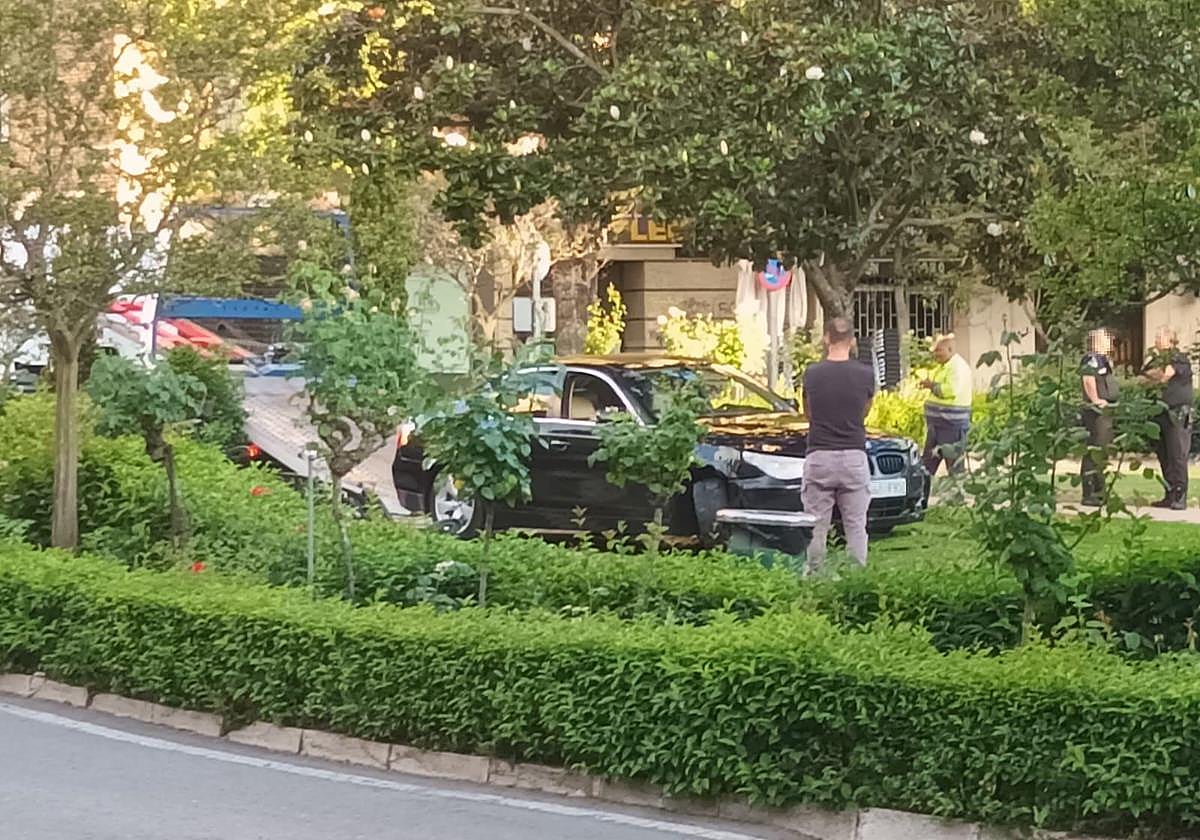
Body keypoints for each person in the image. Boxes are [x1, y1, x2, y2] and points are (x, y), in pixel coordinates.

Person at [801, 317, 876, 571]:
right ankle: (856, 579)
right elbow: (865, 411)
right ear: (852, 341)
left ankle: (814, 577)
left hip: (820, 455)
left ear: (826, 339)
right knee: (856, 526)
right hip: (854, 455)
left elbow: (808, 412)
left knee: (816, 525)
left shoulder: (812, 374)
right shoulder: (866, 374)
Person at [1142, 328, 1194, 510]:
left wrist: (1156, 376)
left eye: (1160, 336)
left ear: (1171, 340)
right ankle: (1169, 493)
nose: (1156, 339)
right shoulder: (1155, 360)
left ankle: (1180, 495)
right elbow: (1143, 377)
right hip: (1159, 413)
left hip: (1176, 413)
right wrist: (1154, 375)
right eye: (1156, 336)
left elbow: (1166, 374)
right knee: (1164, 454)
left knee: (1177, 455)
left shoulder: (1179, 357)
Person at [919, 334, 973, 475]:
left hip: (951, 426)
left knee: (954, 467)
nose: (936, 354)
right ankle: (922, 488)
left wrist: (931, 386)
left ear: (950, 349)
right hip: (938, 425)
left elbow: (950, 390)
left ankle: (956, 490)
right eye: (935, 350)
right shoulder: (944, 366)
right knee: (926, 465)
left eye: (939, 350)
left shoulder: (957, 367)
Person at [1079, 329, 1120, 507]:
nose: (1110, 341)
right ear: (1097, 342)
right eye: (1106, 338)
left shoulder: (1103, 360)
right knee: (1094, 449)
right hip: (1096, 412)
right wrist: (1096, 400)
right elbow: (1088, 380)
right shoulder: (1091, 358)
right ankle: (1090, 492)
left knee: (1102, 451)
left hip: (1106, 410)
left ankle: (1100, 490)